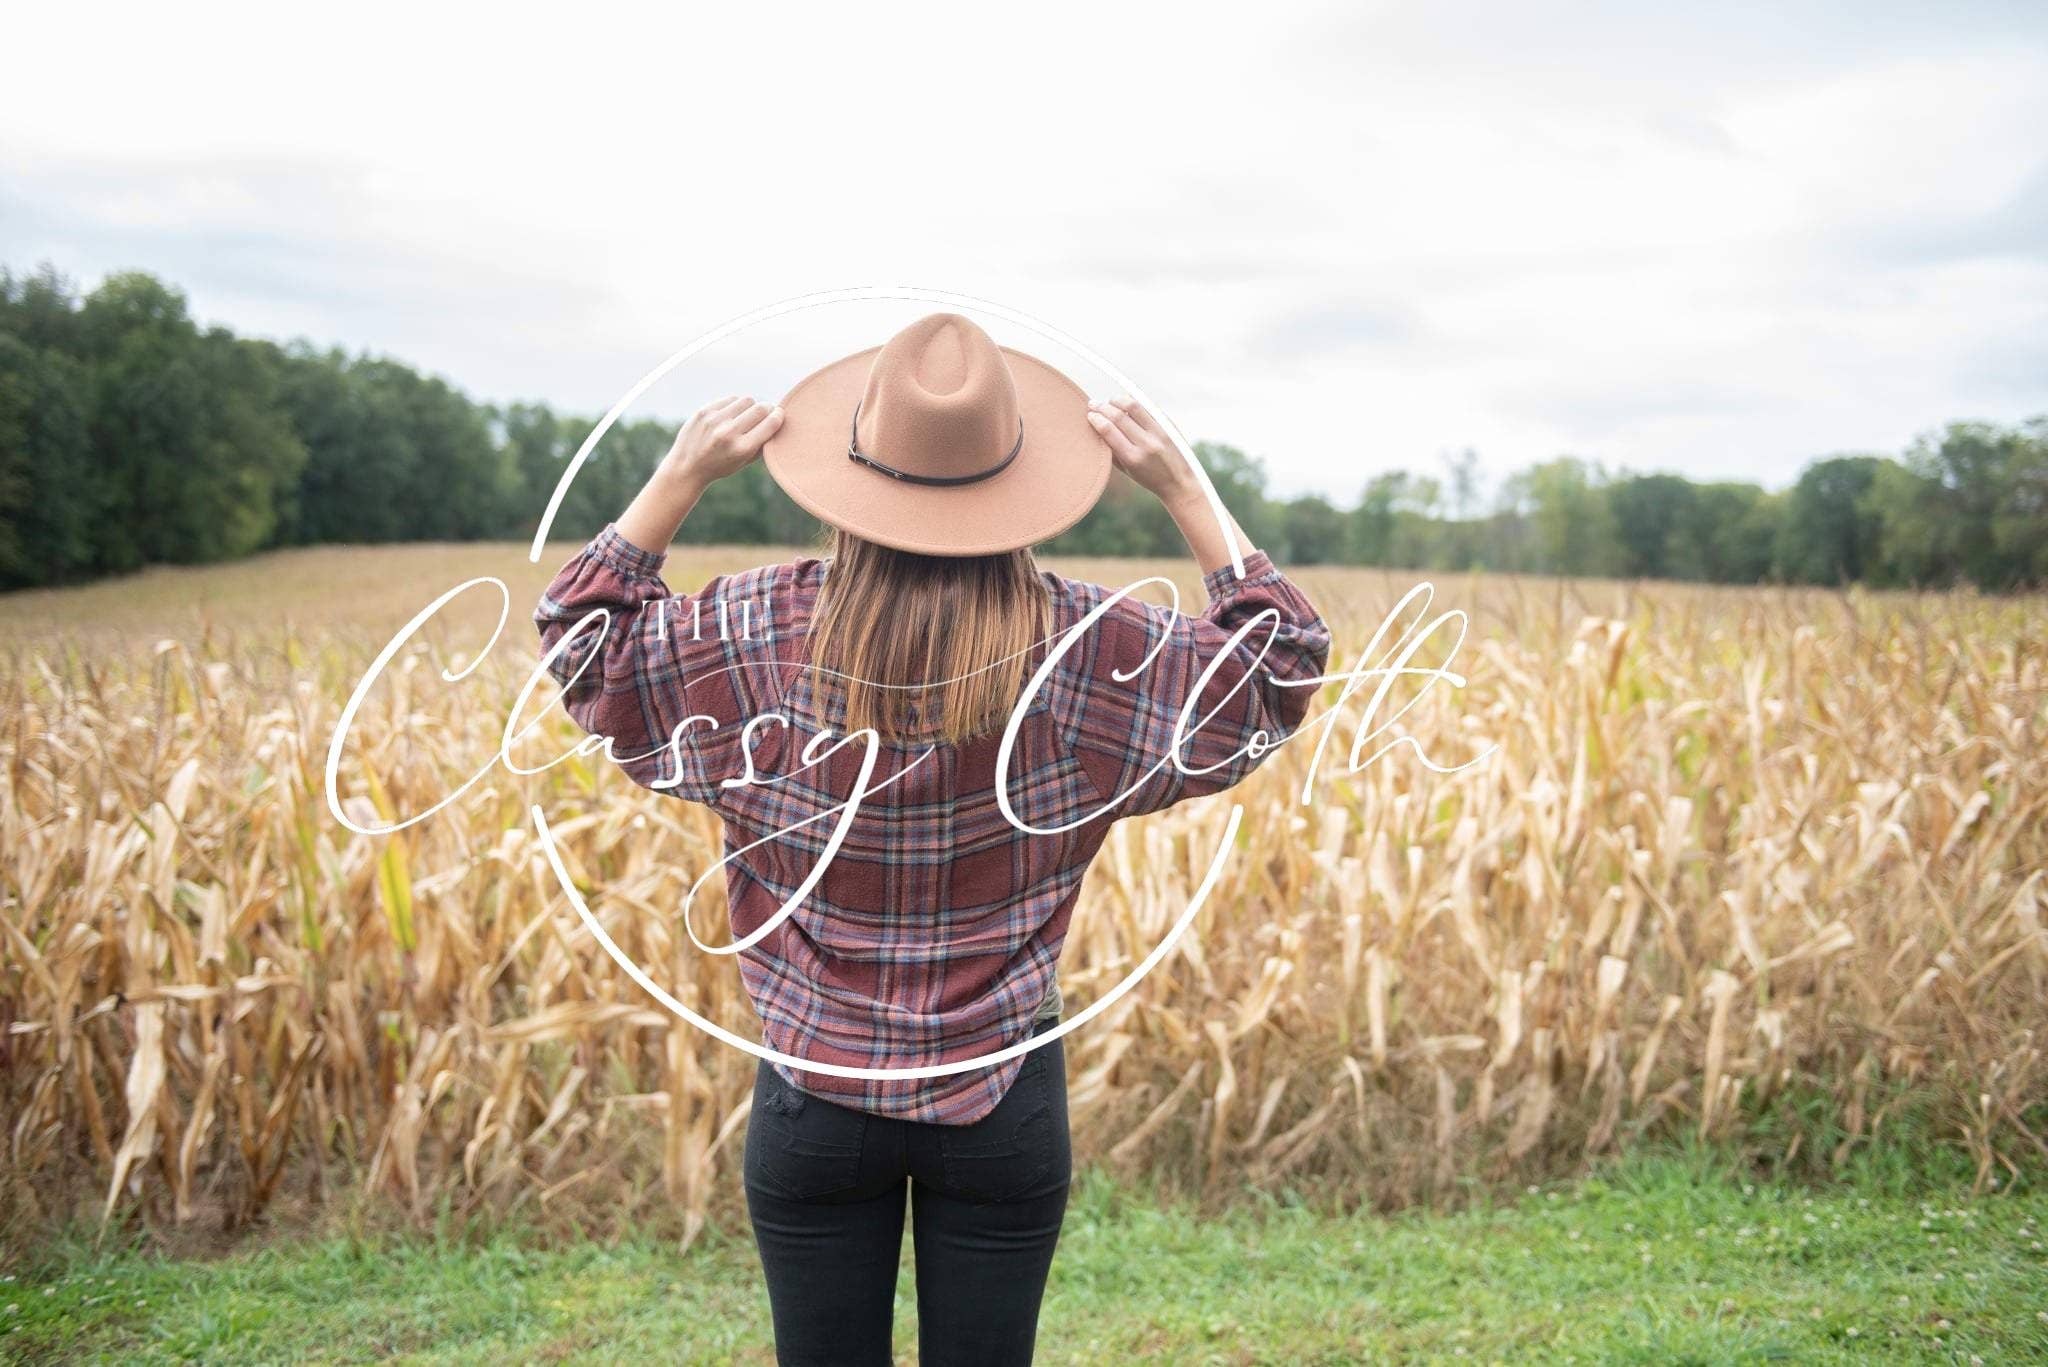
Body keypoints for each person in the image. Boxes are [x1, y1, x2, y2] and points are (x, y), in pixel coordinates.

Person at [535, 313, 1331, 1365]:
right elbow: (1276, 673)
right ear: (1014, 481)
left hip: (809, 1094)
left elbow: (587, 649)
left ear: (849, 476)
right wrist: (1188, 490)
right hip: (1000, 1095)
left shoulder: (752, 629)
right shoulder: (1088, 649)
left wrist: (677, 476)